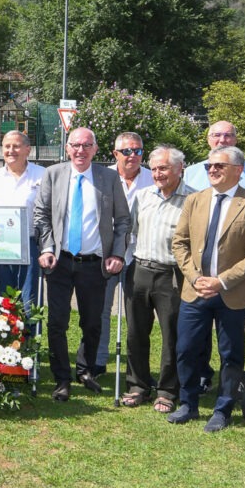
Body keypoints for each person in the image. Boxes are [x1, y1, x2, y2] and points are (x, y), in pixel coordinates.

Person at [169, 146, 245, 432]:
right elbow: (180, 243)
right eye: (209, 166)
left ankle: (223, 408)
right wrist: (195, 277)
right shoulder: (195, 200)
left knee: (231, 354)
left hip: (232, 295)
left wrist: (221, 281)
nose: (211, 170)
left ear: (238, 170)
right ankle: (187, 404)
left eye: (219, 166)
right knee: (186, 349)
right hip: (195, 290)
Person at [32, 128, 131, 401]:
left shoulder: (109, 178)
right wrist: (47, 247)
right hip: (60, 262)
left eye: (86, 145)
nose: (80, 150)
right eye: (75, 145)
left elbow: (123, 220)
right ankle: (62, 378)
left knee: (92, 323)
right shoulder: (53, 174)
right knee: (57, 323)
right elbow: (41, 214)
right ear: (67, 148)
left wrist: (118, 254)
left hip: (94, 264)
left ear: (95, 149)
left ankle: (85, 371)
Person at [123, 146, 189, 409]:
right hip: (140, 269)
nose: (158, 174)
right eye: (155, 169)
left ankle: (167, 390)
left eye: (164, 168)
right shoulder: (142, 196)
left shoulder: (193, 199)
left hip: (171, 274)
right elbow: (133, 230)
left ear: (179, 168)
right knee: (136, 332)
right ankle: (138, 385)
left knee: (171, 334)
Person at [95, 131, 155, 373]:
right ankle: (97, 362)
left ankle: (136, 370)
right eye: (127, 151)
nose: (133, 156)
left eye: (138, 151)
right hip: (107, 255)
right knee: (101, 311)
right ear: (115, 154)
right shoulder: (102, 177)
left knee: (138, 316)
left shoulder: (153, 178)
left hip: (140, 256)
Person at [0, 130, 47, 313]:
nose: (11, 150)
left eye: (16, 146)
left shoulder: (43, 175)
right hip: (0, 249)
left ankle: (30, 342)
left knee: (30, 303)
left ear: (28, 149)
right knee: (5, 304)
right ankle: (9, 341)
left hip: (32, 247)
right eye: (7, 146)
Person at [182, 121, 245, 199]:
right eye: (216, 135)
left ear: (235, 140)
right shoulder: (191, 173)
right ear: (208, 140)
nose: (222, 140)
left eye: (228, 135)